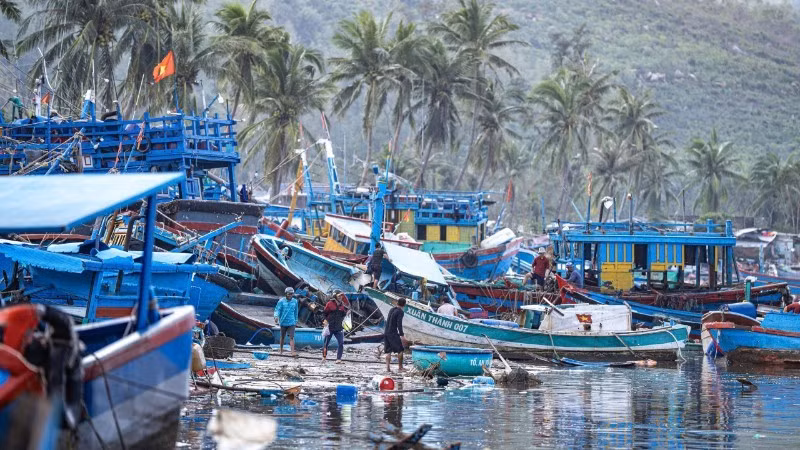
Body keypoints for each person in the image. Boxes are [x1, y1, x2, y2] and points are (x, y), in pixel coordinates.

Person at [323, 290, 348, 363]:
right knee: (326, 343)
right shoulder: (329, 304)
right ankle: (324, 357)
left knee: (341, 343)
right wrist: (325, 320)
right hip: (330, 327)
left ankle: (338, 359)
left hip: (338, 327)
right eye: (339, 296)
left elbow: (343, 315)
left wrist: (347, 313)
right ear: (335, 296)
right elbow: (324, 313)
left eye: (341, 296)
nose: (340, 297)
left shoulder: (342, 305)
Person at [384, 298, 407, 372]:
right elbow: (399, 324)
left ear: (397, 303)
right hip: (393, 333)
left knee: (388, 351)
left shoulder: (392, 309)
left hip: (386, 332)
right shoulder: (400, 312)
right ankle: (400, 367)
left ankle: (388, 368)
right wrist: (402, 335)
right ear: (404, 305)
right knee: (400, 350)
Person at [274, 287, 299, 356]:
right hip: (283, 321)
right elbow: (277, 310)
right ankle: (281, 350)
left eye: (291, 294)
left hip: (291, 322)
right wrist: (276, 317)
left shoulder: (295, 301)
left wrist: (296, 320)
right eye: (289, 294)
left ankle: (292, 352)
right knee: (282, 336)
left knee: (291, 337)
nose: (290, 295)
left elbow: (296, 311)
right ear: (286, 294)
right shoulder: (281, 301)